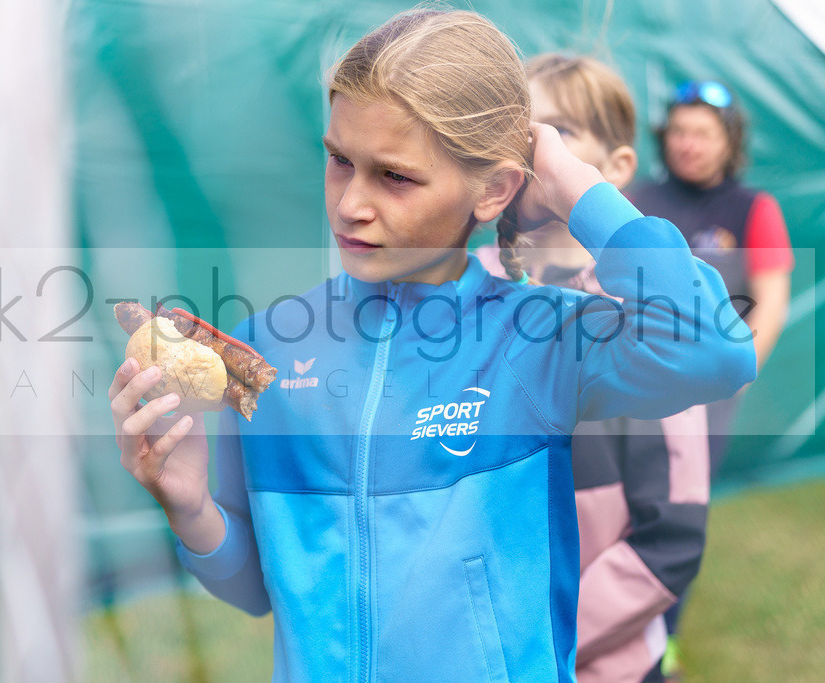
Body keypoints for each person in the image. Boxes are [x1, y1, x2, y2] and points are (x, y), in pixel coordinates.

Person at [109, 10, 755, 680]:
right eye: (340, 160)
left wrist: (570, 184)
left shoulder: (537, 336)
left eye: (395, 176)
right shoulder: (266, 350)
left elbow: (715, 348)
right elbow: (258, 589)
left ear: (495, 189)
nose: (351, 204)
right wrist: (191, 508)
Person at [479, 54, 711, 682]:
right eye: (519, 133)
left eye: (560, 133)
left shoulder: (647, 314)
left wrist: (541, 639)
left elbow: (670, 538)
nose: (534, 152)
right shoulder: (465, 292)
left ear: (617, 166)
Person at [630, 79, 795, 678]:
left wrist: (734, 374)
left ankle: (663, 639)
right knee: (617, 509)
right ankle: (605, 635)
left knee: (677, 516)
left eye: (702, 133)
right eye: (678, 131)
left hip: (706, 398)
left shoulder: (753, 209)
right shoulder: (636, 198)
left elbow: (771, 302)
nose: (688, 144)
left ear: (729, 141)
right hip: (630, 387)